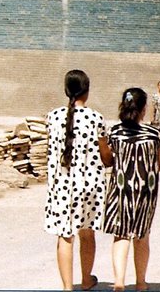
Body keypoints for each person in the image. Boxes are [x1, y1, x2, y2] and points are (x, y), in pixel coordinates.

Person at [45, 69, 113, 291]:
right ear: (87, 90)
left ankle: (67, 287)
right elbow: (105, 156)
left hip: (62, 184)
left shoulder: (53, 117)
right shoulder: (96, 118)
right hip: (90, 185)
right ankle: (85, 280)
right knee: (87, 233)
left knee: (65, 235)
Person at [103, 87, 160, 291]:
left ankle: (119, 281)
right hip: (145, 191)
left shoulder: (114, 132)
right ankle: (141, 282)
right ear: (143, 109)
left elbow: (107, 161)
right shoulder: (154, 134)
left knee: (121, 236)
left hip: (120, 189)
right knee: (141, 236)